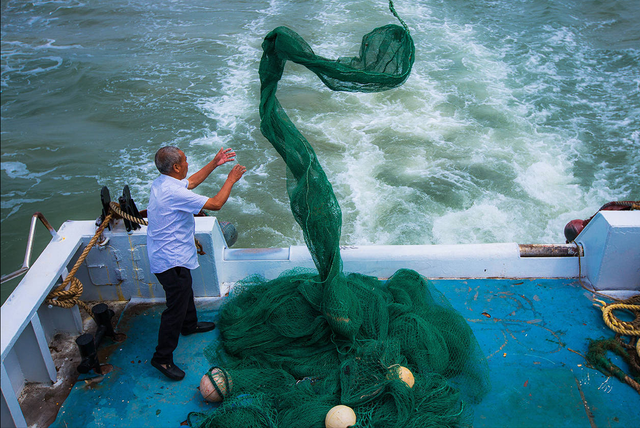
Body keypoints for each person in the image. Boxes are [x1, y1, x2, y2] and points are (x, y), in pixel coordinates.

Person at [147, 146, 246, 380]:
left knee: (185, 289)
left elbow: (189, 183)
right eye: (185, 160)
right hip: (170, 260)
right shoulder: (172, 192)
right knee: (175, 307)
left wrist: (215, 163)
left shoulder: (163, 183)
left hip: (170, 254)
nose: (188, 163)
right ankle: (162, 358)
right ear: (176, 167)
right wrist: (231, 179)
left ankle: (189, 325)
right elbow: (215, 204)